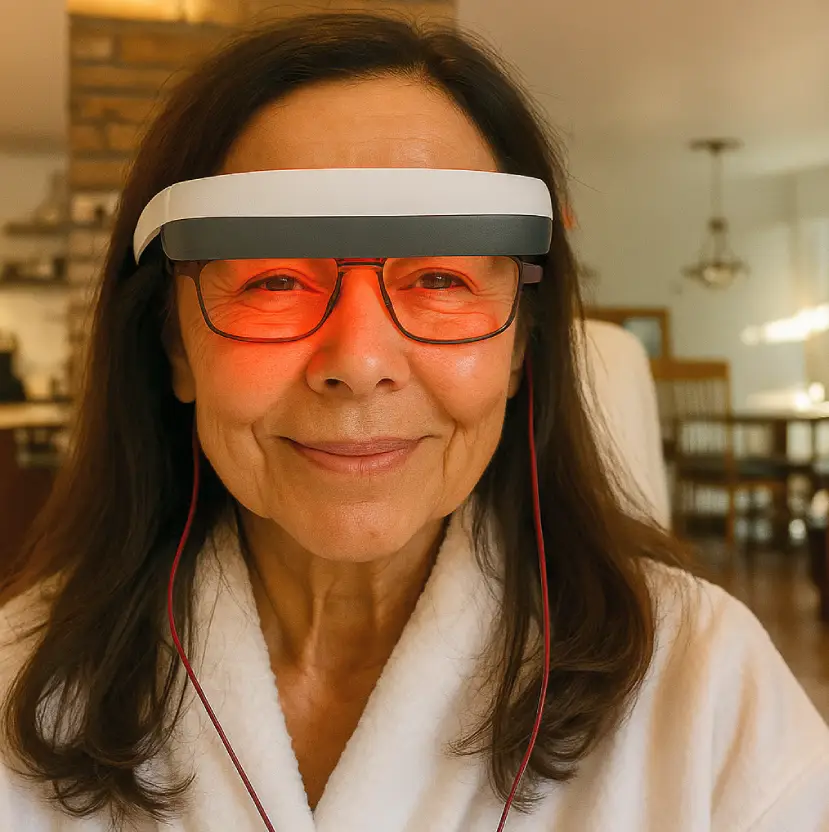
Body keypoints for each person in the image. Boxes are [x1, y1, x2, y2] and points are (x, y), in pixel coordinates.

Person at [1, 12, 828, 831]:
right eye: (272, 281)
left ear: (517, 350)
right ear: (174, 348)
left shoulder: (704, 684)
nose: (360, 361)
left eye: (438, 279)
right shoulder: (20, 688)